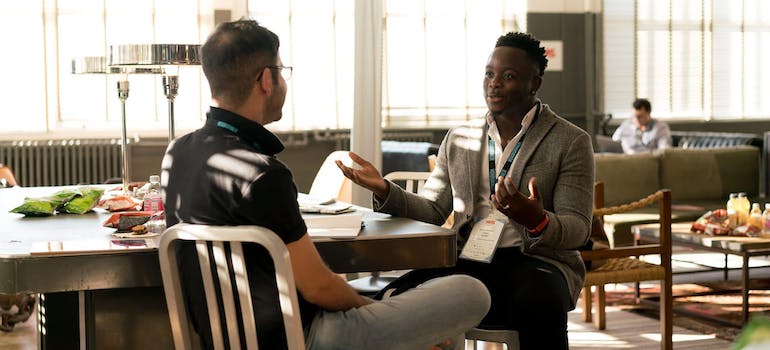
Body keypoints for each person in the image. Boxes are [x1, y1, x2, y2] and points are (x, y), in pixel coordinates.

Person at [161, 19, 490, 350]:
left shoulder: (177, 153)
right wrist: (376, 314)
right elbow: (320, 288)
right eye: (281, 70)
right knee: (471, 291)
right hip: (304, 339)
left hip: (221, 340)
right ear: (265, 80)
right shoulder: (264, 174)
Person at [337, 32, 594, 349]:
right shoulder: (460, 137)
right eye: (489, 74)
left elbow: (578, 229)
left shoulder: (570, 141)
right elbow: (433, 210)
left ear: (535, 84)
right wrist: (386, 189)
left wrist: (537, 219)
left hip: (536, 261)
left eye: (508, 76)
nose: (494, 84)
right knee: (395, 297)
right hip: (469, 258)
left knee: (539, 303)